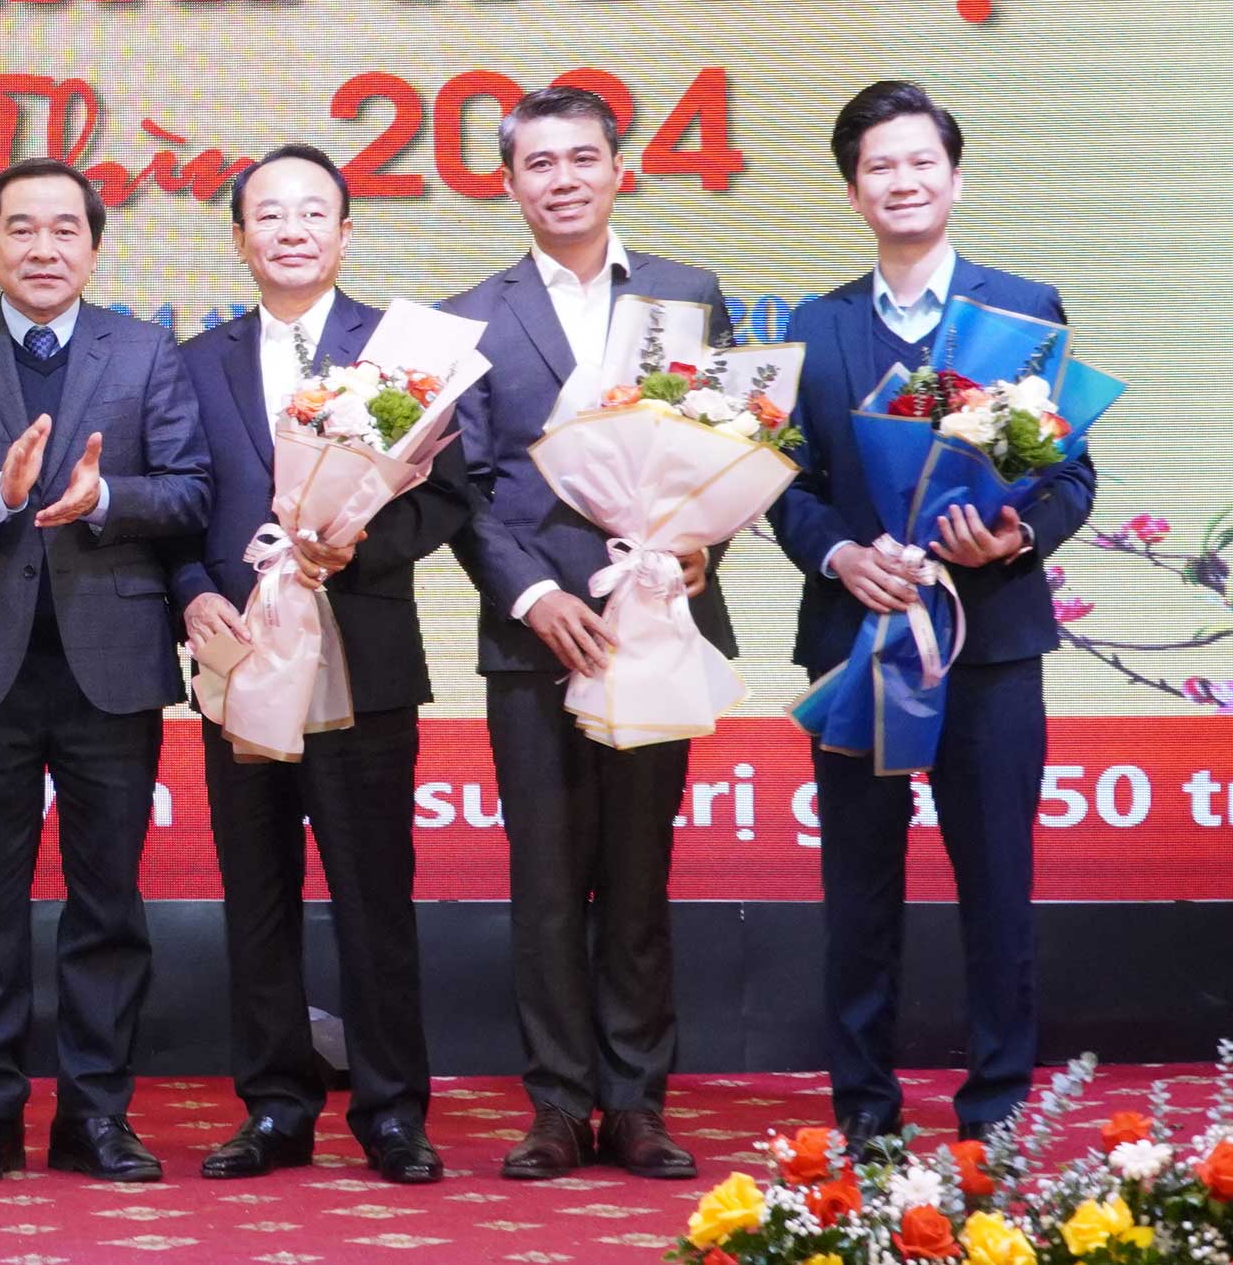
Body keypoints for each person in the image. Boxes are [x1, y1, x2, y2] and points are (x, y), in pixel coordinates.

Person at [769, 81, 1095, 1145]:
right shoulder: (816, 325)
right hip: (859, 639)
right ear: (853, 192)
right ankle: (865, 1115)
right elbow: (787, 482)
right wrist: (840, 552)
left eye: (921, 162)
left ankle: (997, 1112)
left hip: (989, 640)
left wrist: (1014, 535)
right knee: (859, 890)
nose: (902, 181)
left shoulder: (1023, 310)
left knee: (997, 884)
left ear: (955, 177)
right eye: (880, 167)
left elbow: (1070, 473)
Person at [0, 157, 210, 1187]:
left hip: (114, 666)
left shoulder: (146, 349)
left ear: (95, 247)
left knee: (107, 901)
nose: (43, 247)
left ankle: (97, 1113)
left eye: (66, 228)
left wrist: (105, 499)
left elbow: (191, 490)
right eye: (20, 228)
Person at [441, 86, 733, 1183]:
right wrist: (531, 595)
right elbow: (466, 490)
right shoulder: (472, 314)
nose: (561, 179)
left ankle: (637, 1104)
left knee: (640, 875)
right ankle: (559, 1105)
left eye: (581, 158)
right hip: (535, 642)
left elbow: (730, 442)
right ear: (508, 182)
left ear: (621, 169)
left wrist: (701, 547)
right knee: (549, 883)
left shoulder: (685, 294)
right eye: (539, 163)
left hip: (655, 620)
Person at [169, 143, 469, 1186]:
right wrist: (192, 590)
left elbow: (446, 495)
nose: (290, 230)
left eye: (312, 213)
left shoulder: (401, 350)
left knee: (373, 894)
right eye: (269, 214)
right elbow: (178, 502)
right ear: (239, 237)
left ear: (346, 232)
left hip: (360, 655)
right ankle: (275, 1105)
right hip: (242, 657)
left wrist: (360, 546)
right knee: (257, 893)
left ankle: (392, 1111)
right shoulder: (194, 361)